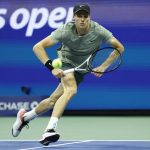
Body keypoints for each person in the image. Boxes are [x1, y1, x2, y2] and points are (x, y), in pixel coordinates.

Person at [12, 3, 124, 146]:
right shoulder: (65, 31)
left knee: (53, 101)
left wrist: (103, 66)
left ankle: (25, 117)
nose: (82, 19)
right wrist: (52, 68)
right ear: (74, 17)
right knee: (71, 90)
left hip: (81, 69)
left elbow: (120, 47)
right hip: (66, 63)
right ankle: (50, 129)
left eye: (85, 16)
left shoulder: (99, 31)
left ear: (89, 18)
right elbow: (38, 47)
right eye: (79, 16)